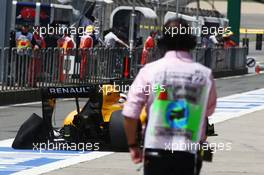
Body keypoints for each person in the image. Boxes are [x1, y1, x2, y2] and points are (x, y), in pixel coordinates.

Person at [122, 18, 217, 175]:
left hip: (155, 150)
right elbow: (209, 110)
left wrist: (133, 145)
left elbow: (130, 112)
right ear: (190, 41)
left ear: (163, 41)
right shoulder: (205, 75)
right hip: (188, 151)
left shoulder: (150, 71)